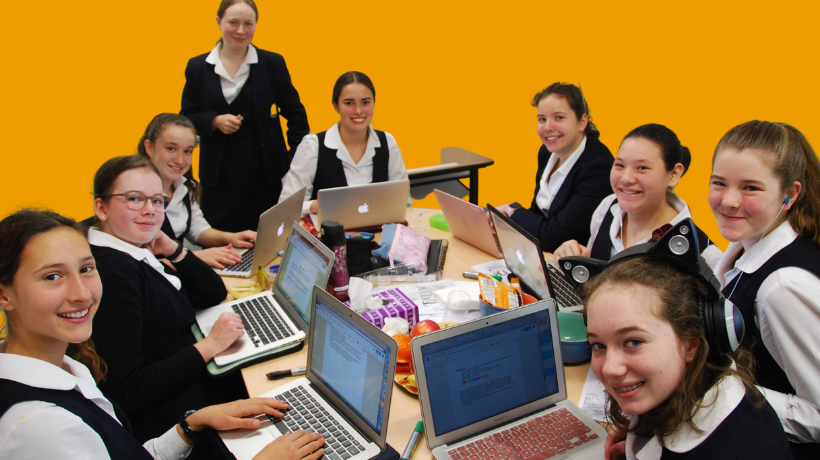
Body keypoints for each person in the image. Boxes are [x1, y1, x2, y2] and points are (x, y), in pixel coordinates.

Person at [0, 209, 325, 460]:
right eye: (52, 276)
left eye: (86, 269)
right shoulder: (37, 426)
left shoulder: (69, 366)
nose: (82, 294)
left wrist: (190, 426)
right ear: (5, 295)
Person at [88, 155, 249, 449]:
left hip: (193, 383)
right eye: (134, 199)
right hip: (175, 421)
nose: (150, 211)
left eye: (157, 201)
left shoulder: (135, 249)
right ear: (101, 207)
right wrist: (209, 346)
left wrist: (171, 248)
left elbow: (212, 293)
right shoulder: (112, 274)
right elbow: (130, 391)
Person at [584, 257, 793, 459]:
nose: (610, 369)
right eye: (599, 345)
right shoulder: (694, 390)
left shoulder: (734, 449)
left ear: (691, 344)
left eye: (634, 342)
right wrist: (642, 432)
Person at [709, 120, 820, 458]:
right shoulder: (745, 244)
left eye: (751, 188)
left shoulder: (781, 288)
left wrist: (715, 387)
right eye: (719, 183)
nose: (728, 200)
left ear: (791, 194)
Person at [181, 0, 309, 232]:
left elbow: (296, 115)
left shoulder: (272, 63)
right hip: (219, 179)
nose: (241, 30)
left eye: (248, 24)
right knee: (222, 242)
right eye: (233, 22)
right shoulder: (198, 67)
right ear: (219, 22)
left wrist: (295, 162)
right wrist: (213, 121)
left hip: (266, 177)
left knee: (270, 239)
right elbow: (185, 119)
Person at [553, 124, 722, 266]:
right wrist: (576, 258)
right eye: (619, 165)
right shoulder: (608, 208)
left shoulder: (706, 255)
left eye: (642, 168)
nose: (626, 178)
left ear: (674, 174)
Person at [494, 83, 613, 252]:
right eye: (542, 119)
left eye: (559, 118)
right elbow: (537, 214)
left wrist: (512, 211)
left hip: (570, 263)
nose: (548, 127)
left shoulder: (598, 168)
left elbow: (554, 237)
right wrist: (505, 223)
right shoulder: (547, 152)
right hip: (542, 254)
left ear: (582, 122)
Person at [278, 71, 410, 215]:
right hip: (327, 236)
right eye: (349, 103)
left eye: (365, 102)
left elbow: (405, 201)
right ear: (336, 106)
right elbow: (286, 207)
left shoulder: (387, 142)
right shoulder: (313, 146)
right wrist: (313, 206)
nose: (358, 110)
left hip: (380, 234)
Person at [138, 113, 257, 269]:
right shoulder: (135, 196)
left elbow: (196, 229)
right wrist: (195, 257)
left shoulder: (183, 186)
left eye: (187, 151)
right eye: (171, 148)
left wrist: (231, 238)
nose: (180, 160)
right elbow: (135, 263)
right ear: (150, 148)